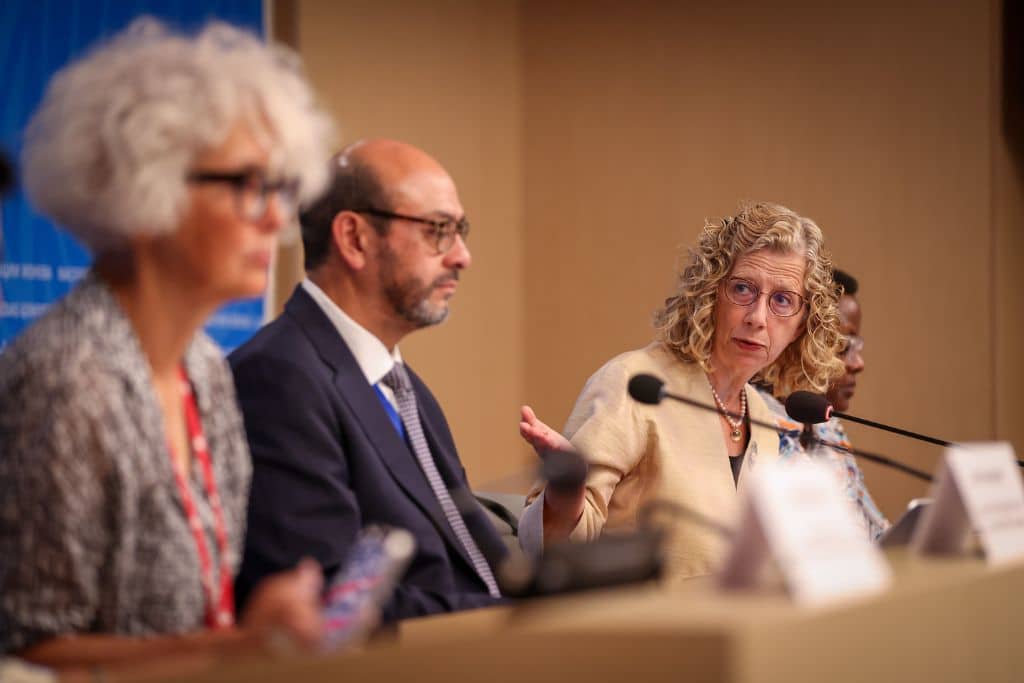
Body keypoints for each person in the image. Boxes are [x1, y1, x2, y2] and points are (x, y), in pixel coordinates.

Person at [0, 19, 334, 670]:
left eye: (283, 187)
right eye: (249, 184)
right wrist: (240, 644)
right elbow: (25, 654)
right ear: (142, 185)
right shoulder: (65, 380)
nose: (275, 217)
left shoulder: (204, 368)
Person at [229, 140, 506, 621]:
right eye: (438, 230)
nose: (462, 256)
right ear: (354, 238)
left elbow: (473, 561)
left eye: (459, 230)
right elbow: (333, 607)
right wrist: (507, 622)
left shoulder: (408, 390)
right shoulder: (277, 379)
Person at [518, 202, 844, 580]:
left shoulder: (761, 416)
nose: (757, 317)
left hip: (726, 631)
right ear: (709, 294)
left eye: (782, 300)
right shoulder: (636, 384)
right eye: (742, 289)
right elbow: (550, 550)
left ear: (803, 323)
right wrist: (566, 492)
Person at [760, 268, 889, 539]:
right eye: (842, 347)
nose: (858, 364)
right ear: (796, 341)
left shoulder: (829, 428)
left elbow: (875, 534)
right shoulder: (751, 425)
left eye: (857, 347)